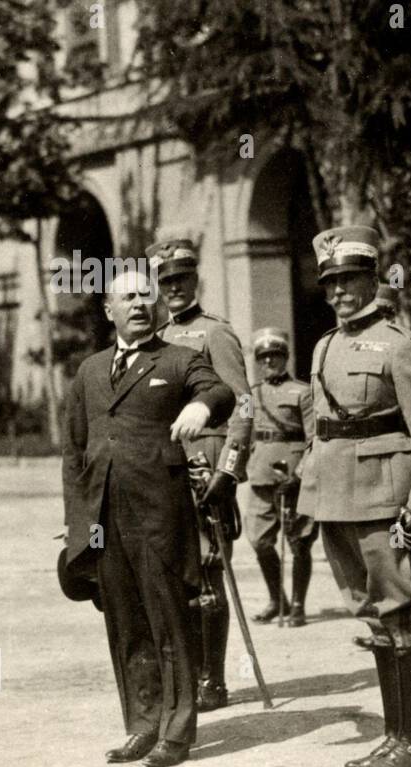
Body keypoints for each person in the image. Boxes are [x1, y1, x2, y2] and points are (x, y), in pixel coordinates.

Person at [61, 270, 234, 767]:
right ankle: (142, 724)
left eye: (145, 296)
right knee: (125, 624)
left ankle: (176, 733)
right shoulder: (90, 371)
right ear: (108, 310)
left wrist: (201, 406)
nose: (139, 304)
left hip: (159, 516)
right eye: (127, 298)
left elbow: (220, 392)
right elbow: (73, 455)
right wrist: (80, 531)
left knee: (169, 622)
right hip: (104, 518)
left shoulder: (179, 360)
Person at [296, 225, 411, 767]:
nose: (339, 290)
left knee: (402, 616)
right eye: (330, 281)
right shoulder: (324, 345)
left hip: (386, 501)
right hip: (336, 499)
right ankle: (393, 736)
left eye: (350, 279)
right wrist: (307, 496)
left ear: (372, 279)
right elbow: (321, 430)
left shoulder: (400, 345)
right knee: (376, 622)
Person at [151, 230, 254, 712]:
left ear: (197, 279)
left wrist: (229, 472)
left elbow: (244, 405)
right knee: (179, 575)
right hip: (167, 466)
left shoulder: (215, 332)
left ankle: (213, 679)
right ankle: (188, 675)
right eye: (166, 280)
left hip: (207, 462)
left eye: (182, 278)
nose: (174, 288)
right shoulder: (155, 337)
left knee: (211, 572)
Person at [245, 328, 317, 627]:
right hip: (261, 474)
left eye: (275, 355)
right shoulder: (250, 394)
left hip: (292, 474)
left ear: (285, 358)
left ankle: (298, 604)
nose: (270, 362)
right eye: (264, 357)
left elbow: (314, 439)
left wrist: (300, 473)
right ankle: (278, 599)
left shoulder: (302, 391)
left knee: (299, 541)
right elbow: (242, 433)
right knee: (260, 541)